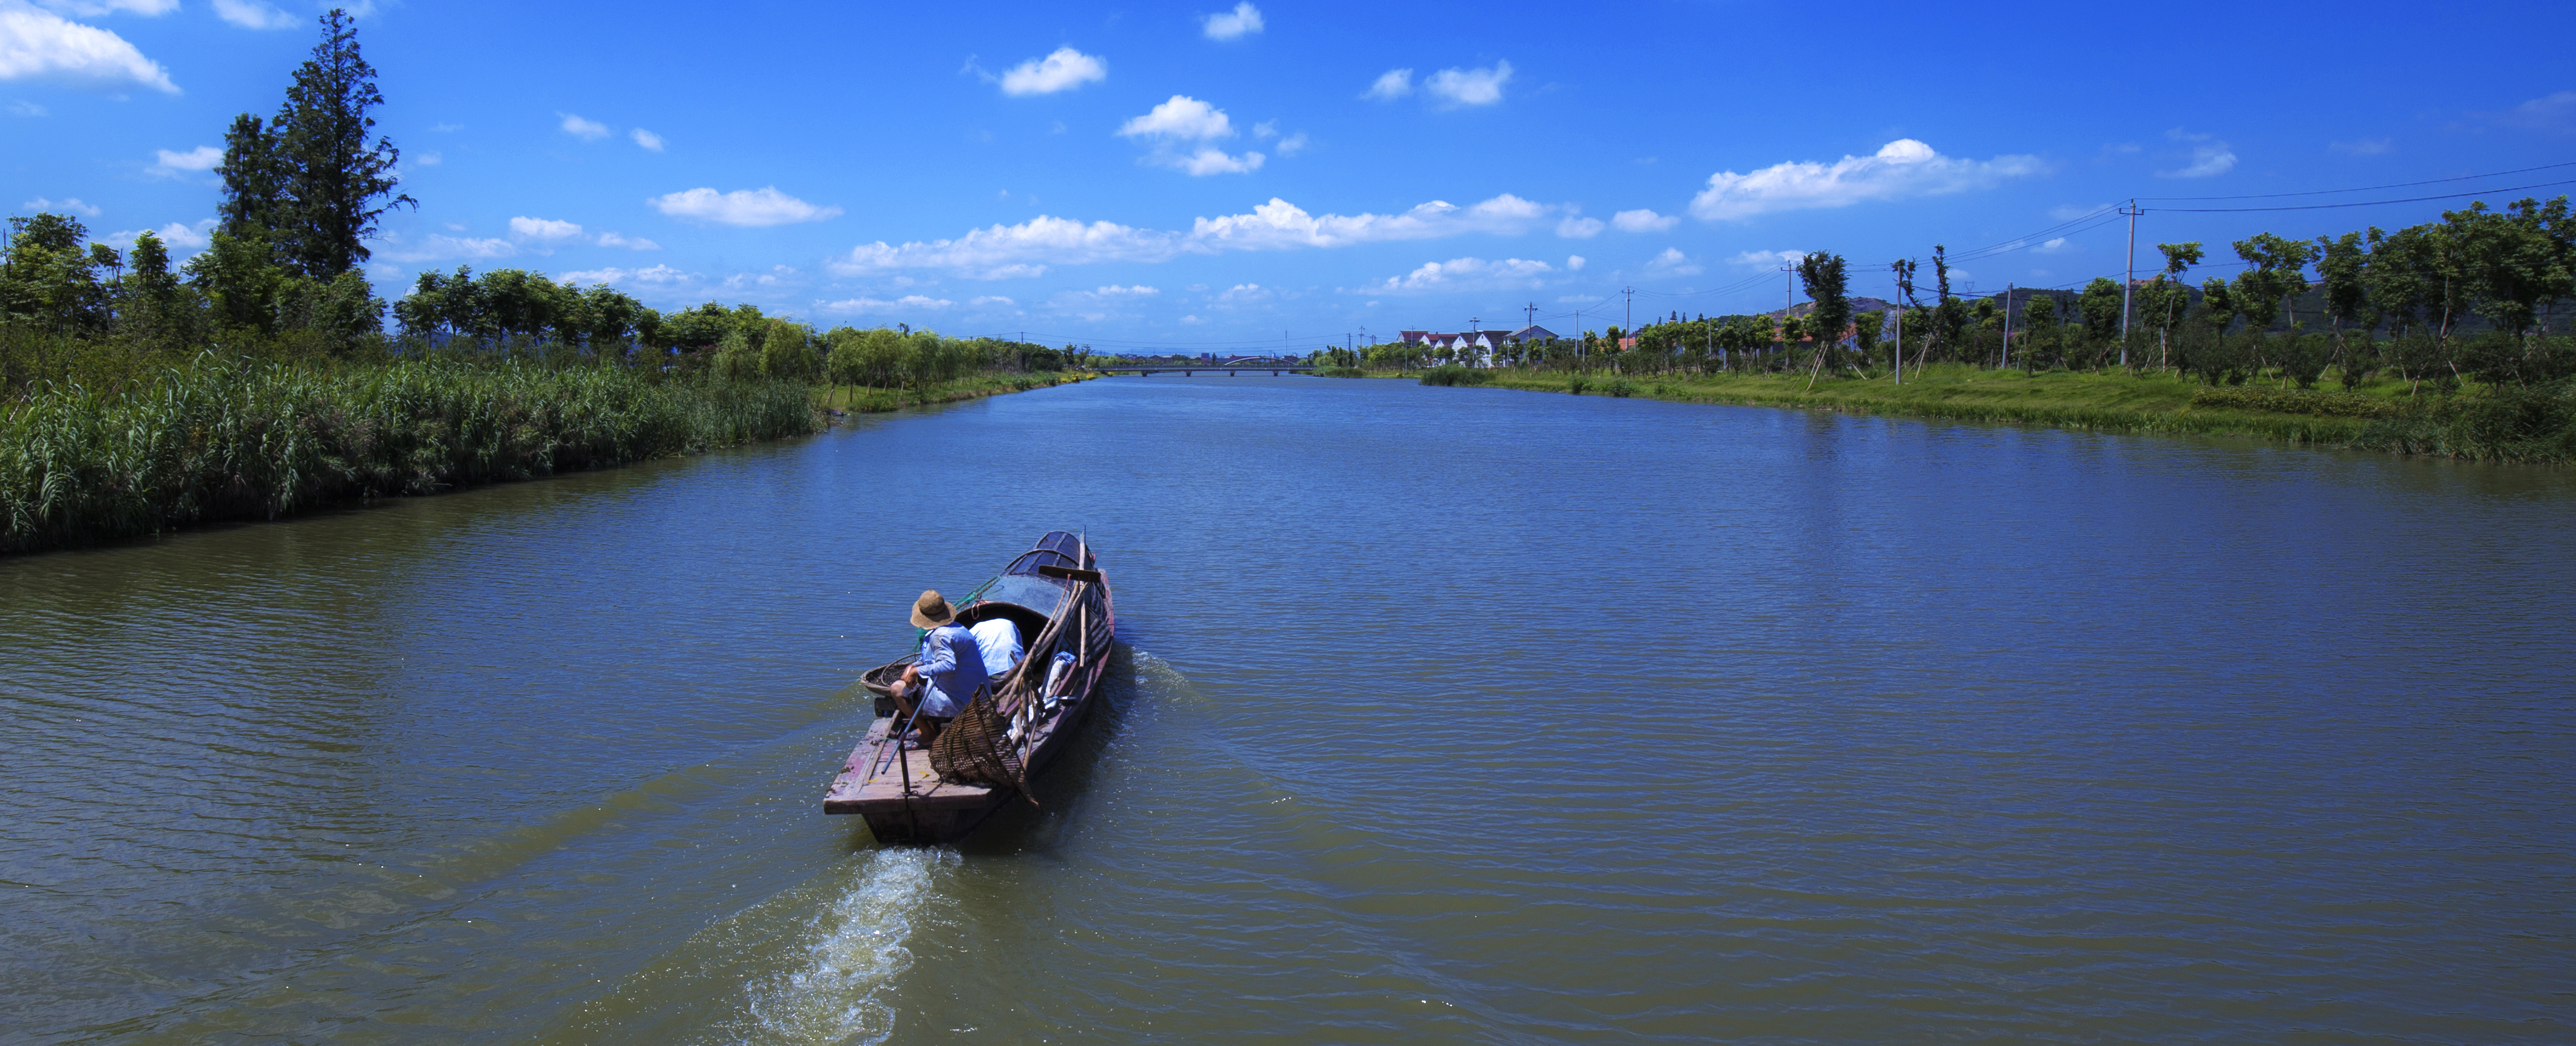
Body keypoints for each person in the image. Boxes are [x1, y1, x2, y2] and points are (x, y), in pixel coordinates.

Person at [890, 590, 985, 745]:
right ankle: (928, 727)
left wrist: (915, 671)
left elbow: (948, 666)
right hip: (973, 694)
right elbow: (931, 659)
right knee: (920, 682)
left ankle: (928, 734)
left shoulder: (940, 636)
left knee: (897, 689)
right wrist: (913, 666)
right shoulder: (957, 628)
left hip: (961, 701)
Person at [969, 615, 1023, 679]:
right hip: (1019, 669)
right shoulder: (1008, 622)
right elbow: (1019, 646)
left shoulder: (974, 630)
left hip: (993, 674)